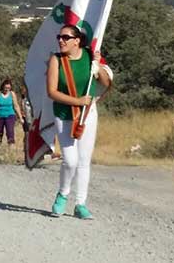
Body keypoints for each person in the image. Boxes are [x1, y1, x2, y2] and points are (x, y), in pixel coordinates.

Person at [46, 24, 111, 220]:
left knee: (83, 161)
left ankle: (80, 203)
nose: (61, 40)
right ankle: (63, 193)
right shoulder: (56, 60)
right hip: (64, 114)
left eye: (66, 37)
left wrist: (98, 69)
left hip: (87, 114)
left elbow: (106, 84)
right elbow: (52, 92)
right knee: (70, 160)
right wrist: (77, 101)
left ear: (77, 41)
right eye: (60, 37)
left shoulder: (90, 56)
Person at [0, 79, 25, 154]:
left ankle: (10, 154)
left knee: (10, 133)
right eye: (6, 88)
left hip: (10, 115)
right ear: (3, 86)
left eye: (8, 88)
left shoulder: (12, 94)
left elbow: (16, 106)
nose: (7, 90)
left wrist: (20, 117)